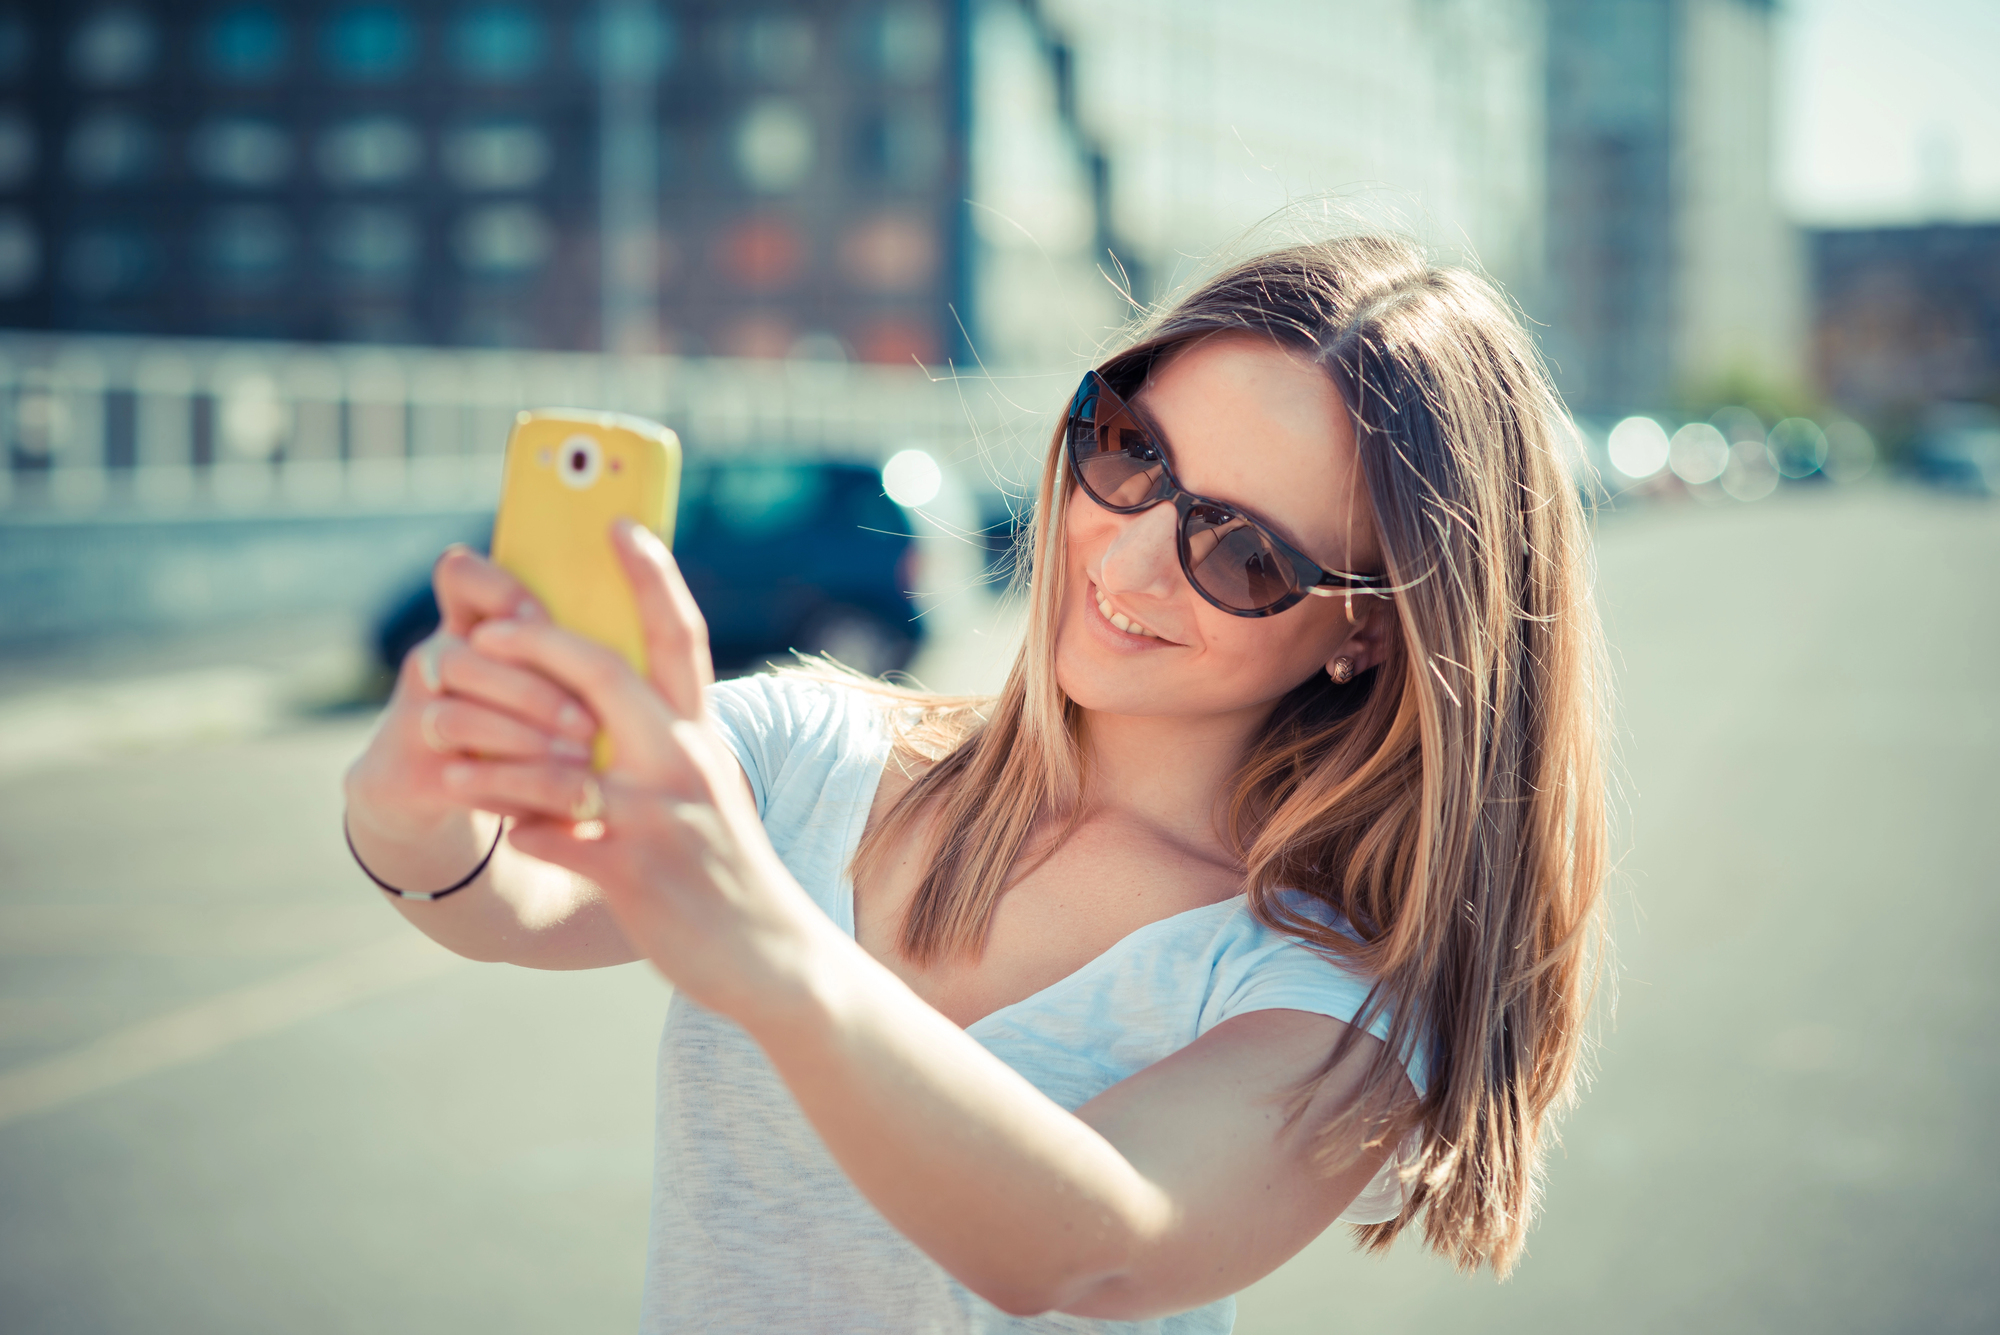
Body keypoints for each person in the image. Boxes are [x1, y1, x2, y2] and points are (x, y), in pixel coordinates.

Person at [341, 234, 1608, 1332]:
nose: (1128, 560)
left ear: (1369, 629)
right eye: (1130, 452)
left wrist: (765, 949)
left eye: (1243, 551)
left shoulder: (1325, 988)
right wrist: (416, 801)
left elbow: (1090, 1248)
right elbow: (515, 898)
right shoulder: (809, 747)